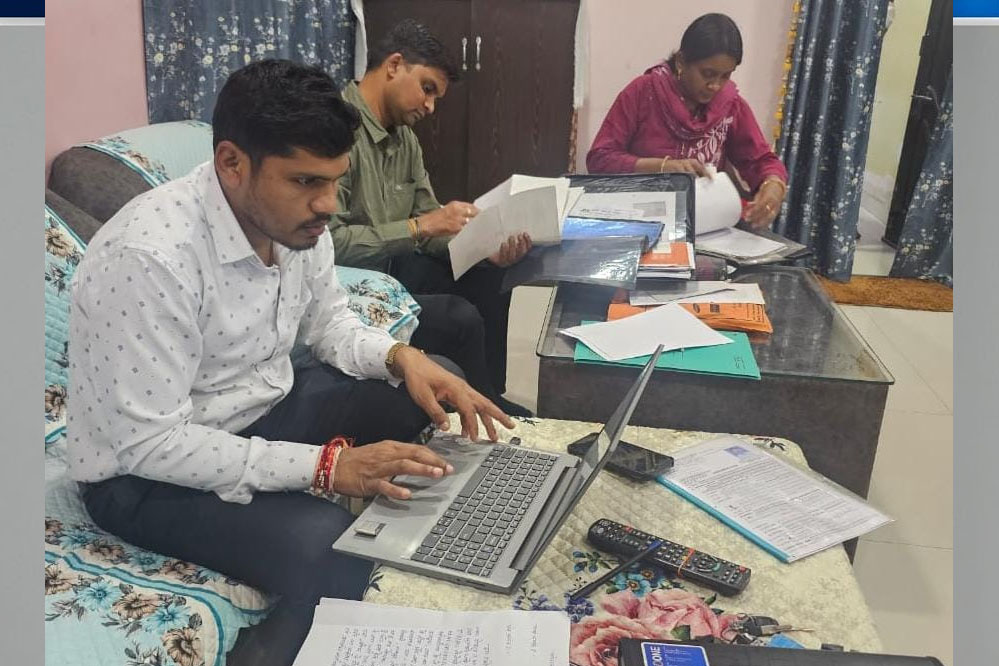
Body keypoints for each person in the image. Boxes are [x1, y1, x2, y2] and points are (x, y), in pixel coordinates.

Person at [67, 59, 513, 666]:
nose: (327, 205)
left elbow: (329, 325)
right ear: (231, 163)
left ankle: (472, 536)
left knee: (435, 383)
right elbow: (150, 444)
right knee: (330, 546)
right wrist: (326, 467)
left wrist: (399, 354)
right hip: (142, 475)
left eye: (335, 181)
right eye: (305, 182)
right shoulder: (150, 258)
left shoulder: (298, 223)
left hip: (259, 409)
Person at [330, 19, 532, 415]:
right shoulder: (335, 130)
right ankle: (476, 408)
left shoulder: (404, 139)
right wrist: (419, 227)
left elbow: (430, 221)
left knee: (493, 278)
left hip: (396, 264)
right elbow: (331, 244)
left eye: (435, 96)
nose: (430, 106)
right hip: (354, 280)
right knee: (460, 317)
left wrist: (483, 248)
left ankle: (491, 393)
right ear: (394, 65)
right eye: (427, 89)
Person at [586, 13, 789, 229]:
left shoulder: (729, 104)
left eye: (725, 76)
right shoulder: (644, 92)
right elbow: (600, 159)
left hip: (705, 225)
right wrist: (662, 167)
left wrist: (773, 186)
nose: (715, 85)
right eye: (707, 74)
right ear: (681, 62)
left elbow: (761, 160)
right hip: (639, 221)